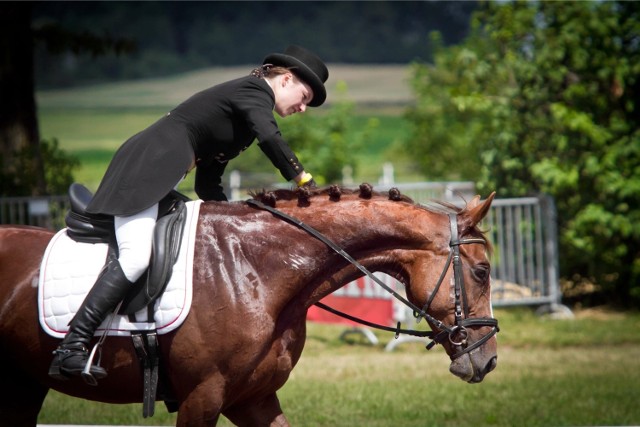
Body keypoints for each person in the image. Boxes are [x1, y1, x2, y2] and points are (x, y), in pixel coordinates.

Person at [49, 45, 329, 383]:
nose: (302, 107)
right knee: (137, 257)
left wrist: (234, 218)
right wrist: (304, 181)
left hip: (157, 170)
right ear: (285, 79)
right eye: (304, 96)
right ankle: (71, 346)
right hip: (144, 168)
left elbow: (209, 183)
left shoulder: (241, 120)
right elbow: (270, 136)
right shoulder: (254, 91)